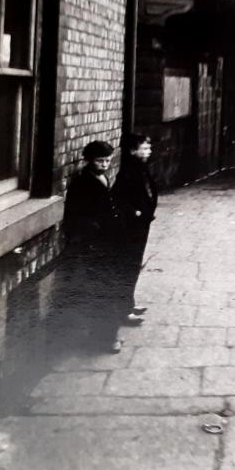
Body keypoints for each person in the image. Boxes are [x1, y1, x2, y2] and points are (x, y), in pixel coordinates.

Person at [62, 140, 124, 353]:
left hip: (106, 243)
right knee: (103, 291)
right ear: (88, 160)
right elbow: (78, 215)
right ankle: (105, 338)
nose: (105, 164)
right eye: (100, 161)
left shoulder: (101, 177)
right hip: (94, 245)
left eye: (108, 160)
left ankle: (106, 335)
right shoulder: (83, 182)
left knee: (107, 290)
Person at [111, 133, 157, 329]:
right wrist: (135, 212)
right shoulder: (128, 172)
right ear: (132, 151)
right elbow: (118, 199)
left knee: (133, 265)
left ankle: (128, 304)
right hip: (131, 227)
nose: (149, 151)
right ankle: (123, 312)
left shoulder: (141, 168)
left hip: (141, 225)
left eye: (149, 148)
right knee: (128, 267)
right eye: (144, 148)